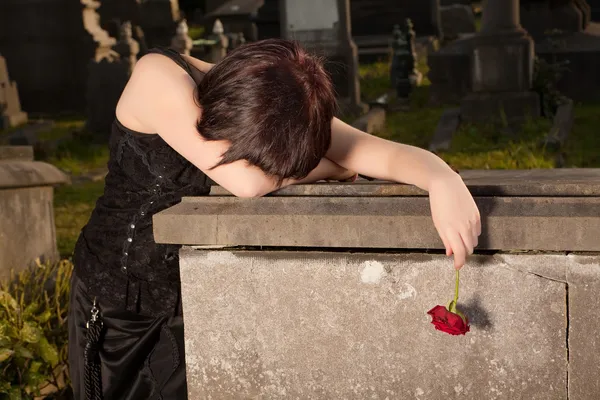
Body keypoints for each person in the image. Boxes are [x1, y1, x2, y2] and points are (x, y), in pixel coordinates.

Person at [68, 39, 481, 400]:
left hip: (191, 290)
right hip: (117, 297)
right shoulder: (157, 75)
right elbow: (245, 181)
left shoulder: (288, 99)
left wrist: (442, 179)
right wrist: (331, 167)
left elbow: (383, 153)